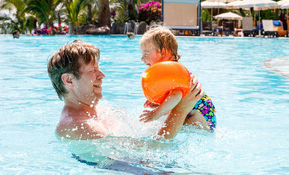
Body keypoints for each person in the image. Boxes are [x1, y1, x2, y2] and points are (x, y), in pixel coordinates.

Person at [47, 39, 204, 140]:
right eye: (92, 70)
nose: (102, 75)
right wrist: (181, 109)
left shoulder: (97, 110)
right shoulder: (80, 126)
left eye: (98, 68)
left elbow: (139, 135)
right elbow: (150, 151)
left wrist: (165, 105)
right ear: (68, 80)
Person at [139, 26, 217, 132]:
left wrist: (156, 113)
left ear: (163, 52)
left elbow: (176, 95)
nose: (142, 58)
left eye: (146, 54)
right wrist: (160, 103)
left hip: (202, 117)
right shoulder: (171, 71)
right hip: (197, 115)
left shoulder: (173, 71)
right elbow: (175, 100)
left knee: (169, 135)